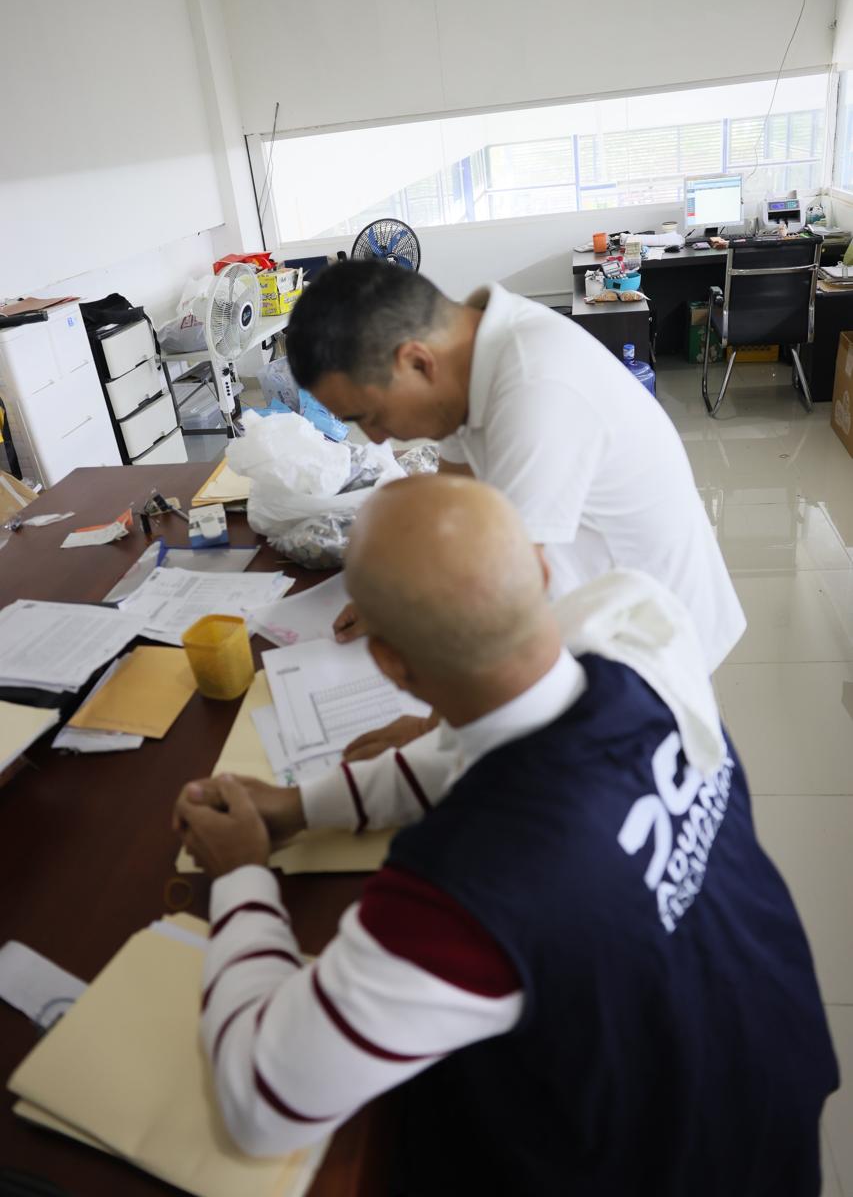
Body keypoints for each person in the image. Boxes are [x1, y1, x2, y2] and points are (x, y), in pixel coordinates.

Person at [174, 476, 836, 1197]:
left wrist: (242, 874)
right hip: (766, 1073)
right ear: (543, 571)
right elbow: (470, 751)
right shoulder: (643, 644)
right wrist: (303, 806)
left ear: (389, 662)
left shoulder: (469, 883)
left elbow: (262, 1101)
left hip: (663, 1162)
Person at [283, 259, 745, 679]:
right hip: (590, 607)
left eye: (369, 416)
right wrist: (392, 601)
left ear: (417, 363)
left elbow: (504, 594)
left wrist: (435, 725)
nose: (376, 438)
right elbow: (455, 511)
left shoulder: (536, 386)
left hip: (652, 648)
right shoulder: (464, 358)